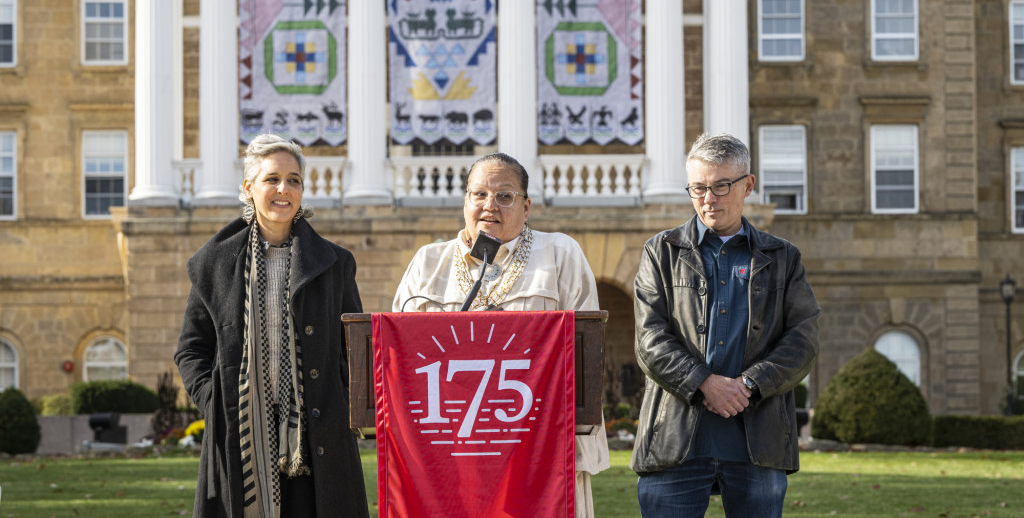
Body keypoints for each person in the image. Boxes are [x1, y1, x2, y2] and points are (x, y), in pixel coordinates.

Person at [393, 152, 610, 518]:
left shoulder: (559, 253)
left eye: (504, 196)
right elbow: (400, 359)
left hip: (541, 453)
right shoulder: (428, 262)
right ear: (465, 201)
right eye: (479, 194)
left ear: (526, 208)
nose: (489, 205)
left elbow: (587, 352)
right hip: (450, 453)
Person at [175, 134, 369, 518]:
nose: (284, 189)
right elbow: (191, 348)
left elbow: (354, 347)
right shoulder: (214, 263)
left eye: (294, 180)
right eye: (272, 179)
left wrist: (343, 402)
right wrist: (213, 399)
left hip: (318, 436)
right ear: (249, 188)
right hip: (241, 432)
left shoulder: (335, 263)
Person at [631, 132, 820, 518]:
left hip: (758, 446)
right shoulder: (661, 252)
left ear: (748, 185)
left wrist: (749, 385)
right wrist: (705, 382)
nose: (708, 199)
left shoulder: (783, 257)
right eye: (698, 188)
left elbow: (803, 340)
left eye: (720, 186)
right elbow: (650, 338)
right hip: (674, 443)